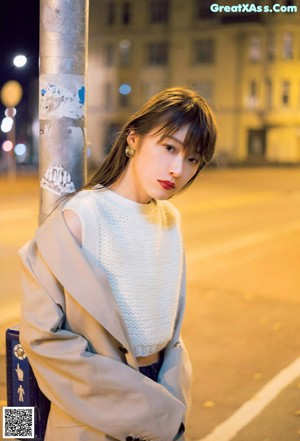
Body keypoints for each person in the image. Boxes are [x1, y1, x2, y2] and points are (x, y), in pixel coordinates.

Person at [19, 86, 217, 441]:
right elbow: (43, 339)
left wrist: (170, 399)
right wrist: (151, 409)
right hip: (94, 412)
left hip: (162, 396)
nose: (177, 169)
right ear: (134, 140)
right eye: (169, 147)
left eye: (192, 159)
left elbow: (169, 332)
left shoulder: (170, 220)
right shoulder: (80, 217)